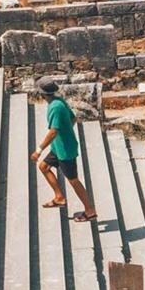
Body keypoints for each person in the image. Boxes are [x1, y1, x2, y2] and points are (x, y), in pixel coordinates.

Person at [30, 80, 96, 222]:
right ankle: (59, 197)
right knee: (44, 166)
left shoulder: (55, 107)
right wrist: (65, 132)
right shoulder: (59, 101)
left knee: (73, 180)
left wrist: (38, 150)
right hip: (58, 147)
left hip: (65, 151)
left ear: (42, 94)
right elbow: (72, 118)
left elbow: (53, 132)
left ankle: (90, 210)